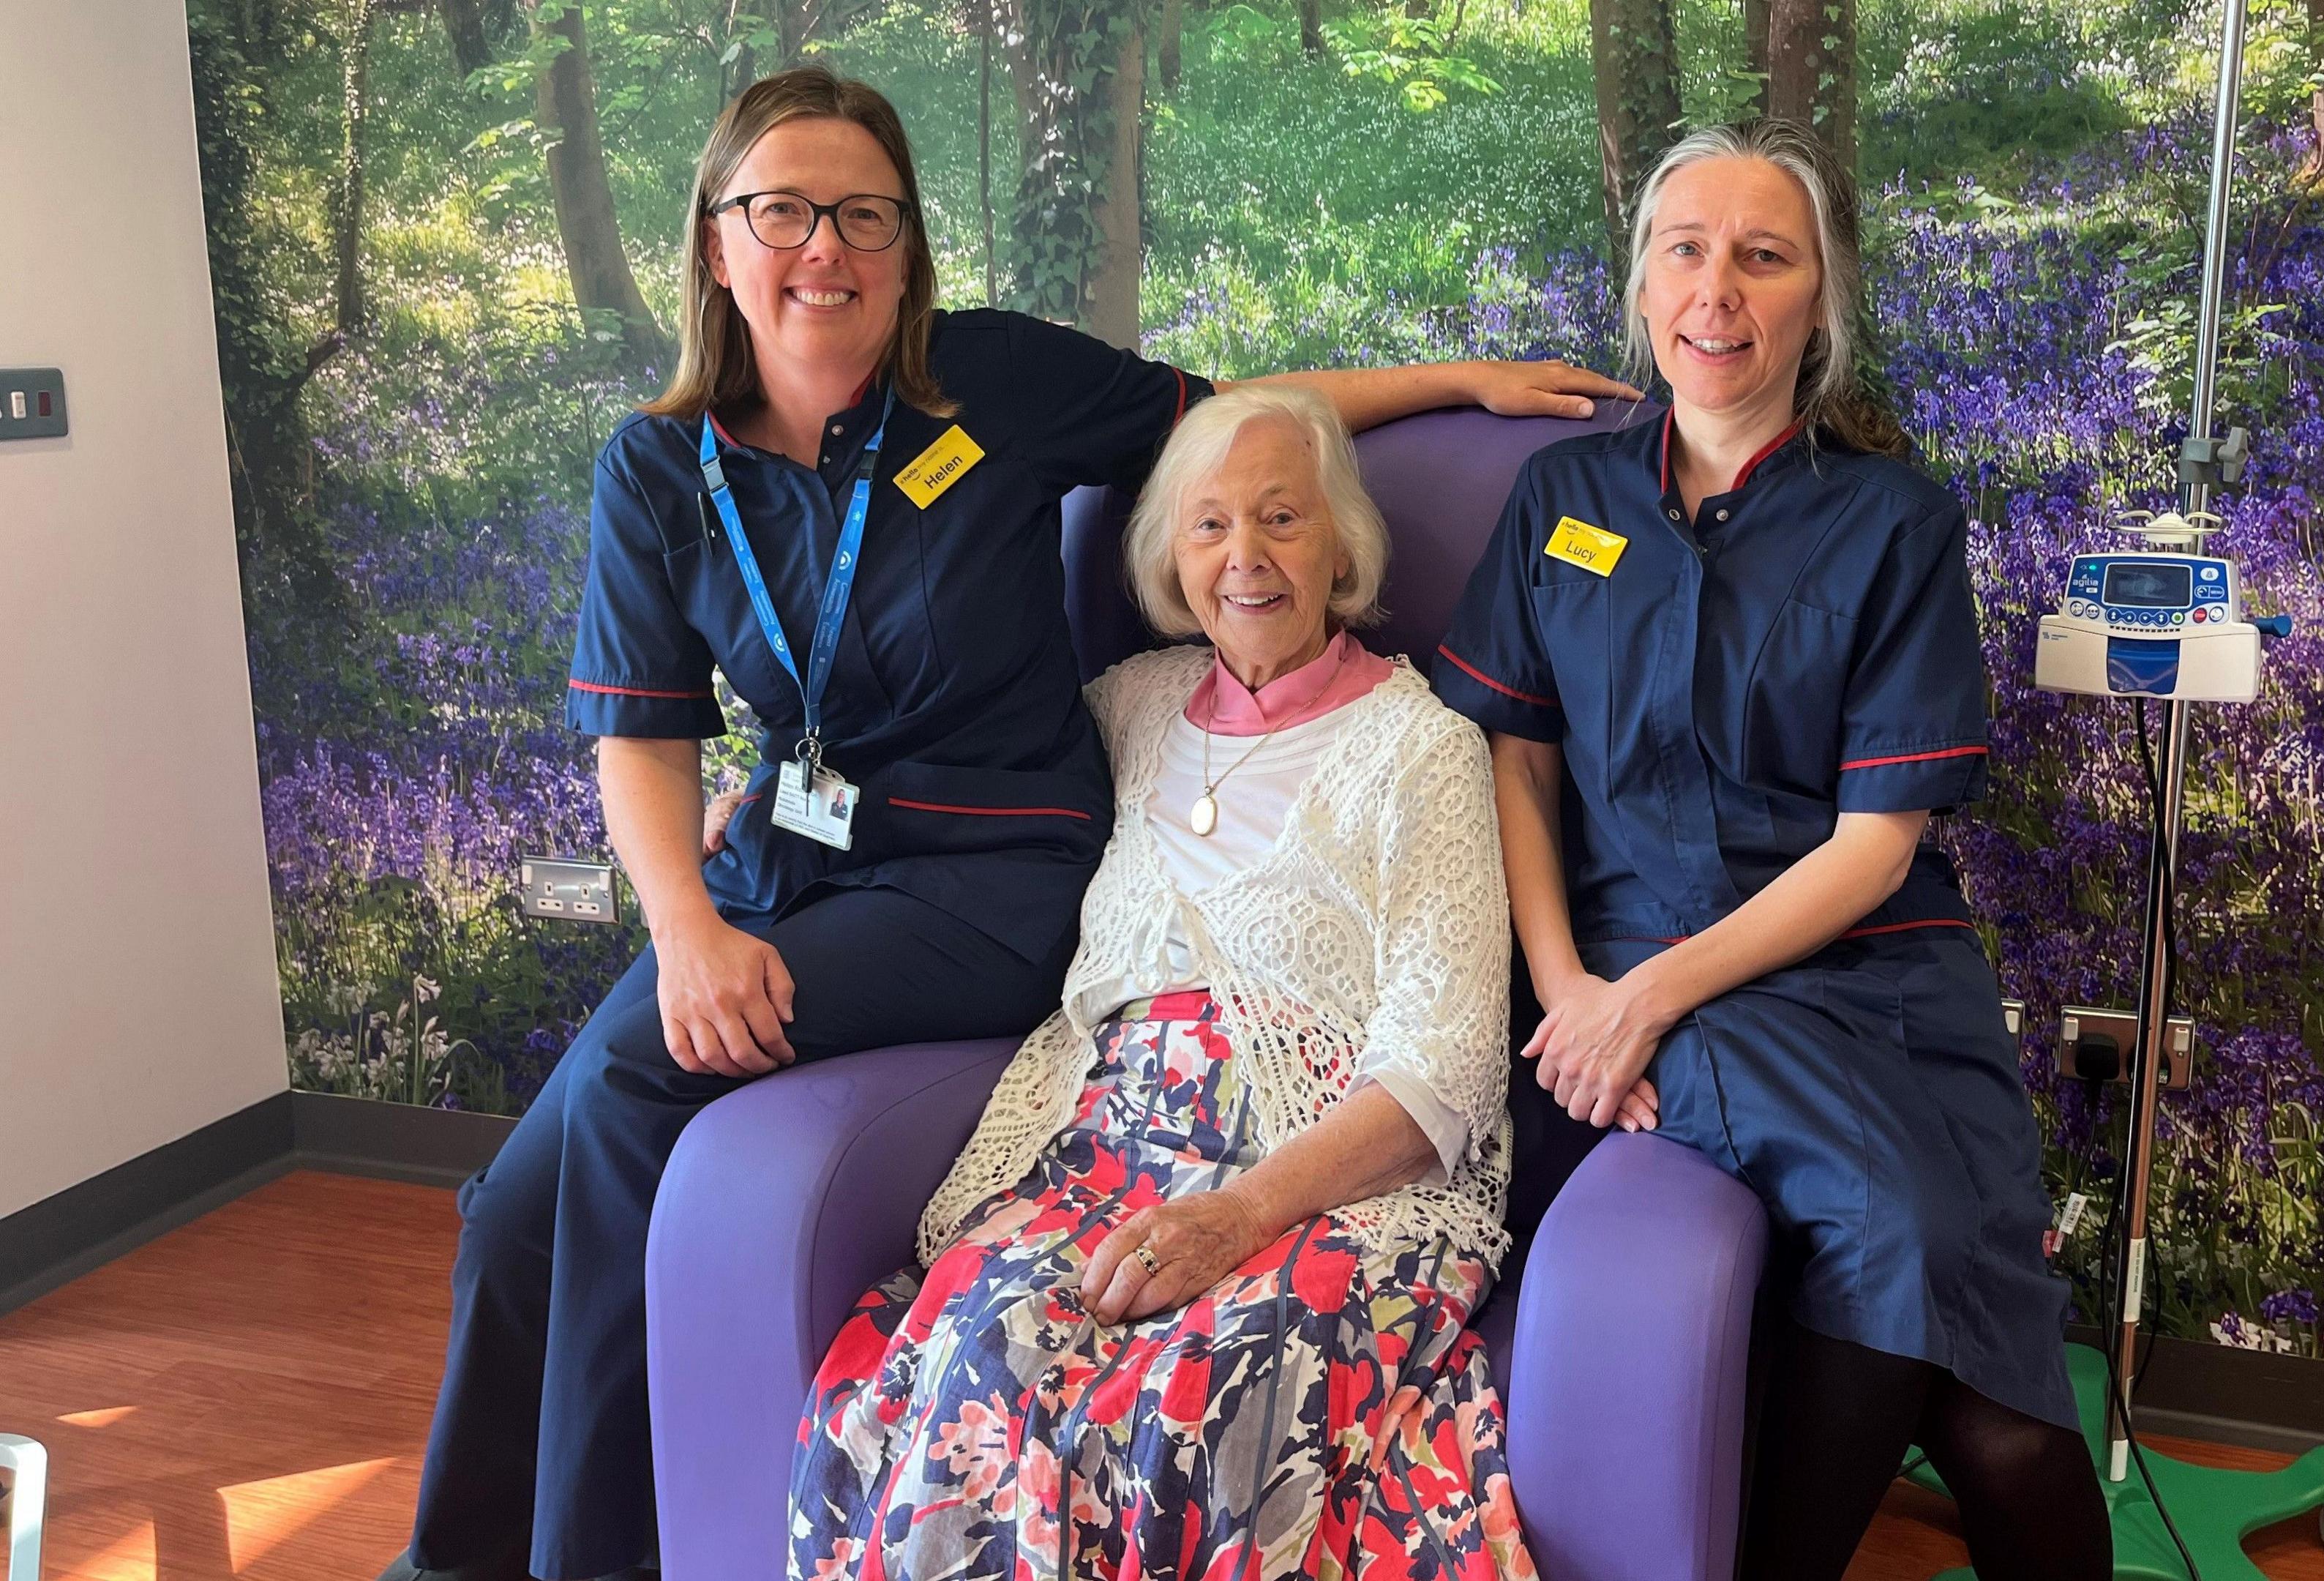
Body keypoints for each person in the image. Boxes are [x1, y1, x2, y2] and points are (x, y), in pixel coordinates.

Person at [386, 67, 1625, 1581]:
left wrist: (1460, 380)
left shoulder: (989, 383)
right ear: (718, 243)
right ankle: (451, 1557)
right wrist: (686, 927)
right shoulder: (656, 470)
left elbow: (1234, 426)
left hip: (991, 883)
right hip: (797, 857)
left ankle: (582, 1563)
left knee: (641, 1085)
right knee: (521, 1194)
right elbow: (640, 731)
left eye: (865, 216)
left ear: (908, 252)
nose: (824, 249)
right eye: (783, 211)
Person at [1432, 119, 2114, 1580]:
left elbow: (1877, 850)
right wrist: (1569, 989)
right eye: (1686, 249)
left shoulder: (1896, 521)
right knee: (1919, 1265)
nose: (1717, 291)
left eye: (1763, 256)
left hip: (1876, 969)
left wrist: (1646, 999)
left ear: (1820, 305)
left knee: (1997, 1416)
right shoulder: (1563, 503)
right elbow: (1516, 755)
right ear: (1641, 284)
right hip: (1643, 956)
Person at [789, 385, 1530, 1580]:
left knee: (1191, 1407)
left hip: (1326, 1177)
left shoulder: (1421, 747)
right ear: (1168, 557)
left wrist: (1238, 1215)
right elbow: (959, 798)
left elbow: (1446, 1064)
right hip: (1099, 1151)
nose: (1246, 557)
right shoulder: (1127, 705)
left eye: (1282, 518)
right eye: (1209, 525)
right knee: (983, 1359)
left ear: (1341, 541)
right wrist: (780, 811)